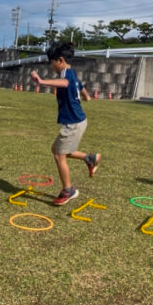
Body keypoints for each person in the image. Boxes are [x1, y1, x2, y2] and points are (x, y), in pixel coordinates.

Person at [30, 42, 101, 206]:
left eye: (52, 62)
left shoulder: (66, 75)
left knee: (59, 155)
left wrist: (41, 81)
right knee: (57, 149)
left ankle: (68, 190)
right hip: (78, 120)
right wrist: (86, 96)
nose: (51, 65)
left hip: (74, 122)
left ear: (60, 60)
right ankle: (89, 158)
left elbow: (65, 83)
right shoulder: (72, 73)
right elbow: (80, 86)